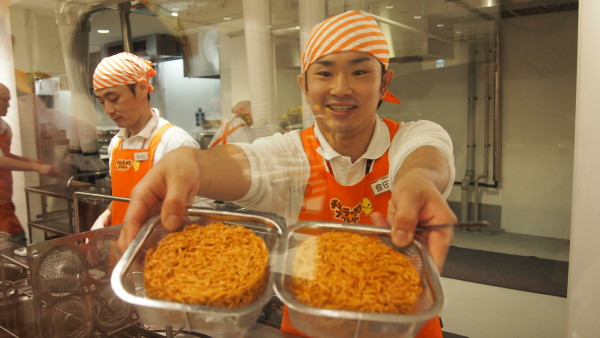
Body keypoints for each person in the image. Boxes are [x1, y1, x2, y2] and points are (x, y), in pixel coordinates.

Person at [118, 10, 456, 338]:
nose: (340, 88)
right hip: (311, 325)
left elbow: (426, 157)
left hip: (402, 327)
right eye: (324, 73)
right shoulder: (291, 153)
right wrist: (191, 163)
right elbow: (246, 162)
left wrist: (417, 181)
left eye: (360, 72)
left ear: (385, 83)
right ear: (305, 87)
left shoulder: (412, 137)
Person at [90, 52, 200, 229]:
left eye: (113, 98)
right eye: (102, 102)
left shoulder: (175, 143)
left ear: (141, 88)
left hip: (162, 250)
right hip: (122, 247)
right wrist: (106, 216)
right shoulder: (116, 144)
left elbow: (200, 211)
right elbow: (125, 199)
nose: (108, 110)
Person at [0, 82, 60, 236]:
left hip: (4, 194)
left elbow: (4, 156)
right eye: (5, 100)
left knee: (14, 238)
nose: (9, 105)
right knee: (14, 239)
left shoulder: (4, 126)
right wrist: (36, 168)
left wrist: (29, 161)